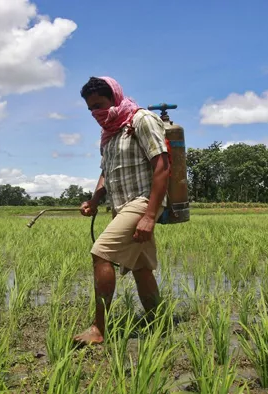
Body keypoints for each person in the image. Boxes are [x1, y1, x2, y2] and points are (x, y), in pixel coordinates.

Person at [74, 76, 170, 345]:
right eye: (91, 109)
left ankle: (98, 329)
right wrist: (94, 201)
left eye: (100, 105)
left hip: (141, 202)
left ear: (114, 98)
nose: (96, 113)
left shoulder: (142, 120)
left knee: (100, 254)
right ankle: (158, 322)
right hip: (120, 206)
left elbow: (162, 167)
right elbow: (106, 173)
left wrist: (150, 215)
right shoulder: (109, 134)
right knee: (141, 268)